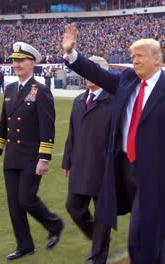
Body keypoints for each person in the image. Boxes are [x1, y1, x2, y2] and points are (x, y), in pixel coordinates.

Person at [62, 24, 165, 264]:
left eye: (140, 56)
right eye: (132, 56)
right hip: (124, 170)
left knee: (139, 239)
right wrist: (72, 54)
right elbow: (98, 74)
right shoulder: (126, 81)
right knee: (151, 238)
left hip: (155, 175)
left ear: (157, 60)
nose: (134, 61)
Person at [0, 42, 64, 261]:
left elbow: (47, 127)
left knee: (26, 199)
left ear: (32, 63)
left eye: (21, 60)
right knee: (14, 205)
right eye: (14, 60)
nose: (16, 64)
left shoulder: (40, 90)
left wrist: (44, 158)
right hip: (12, 156)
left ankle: (54, 223)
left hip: (31, 157)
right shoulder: (11, 90)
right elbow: (4, 122)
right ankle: (25, 245)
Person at [62, 56, 112, 264]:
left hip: (105, 169)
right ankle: (99, 238)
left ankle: (98, 255)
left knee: (103, 215)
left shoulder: (114, 99)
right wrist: (67, 161)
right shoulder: (79, 100)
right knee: (73, 207)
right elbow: (72, 133)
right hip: (81, 165)